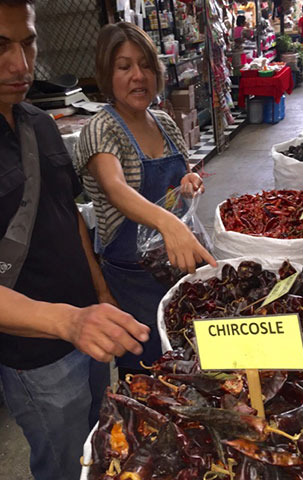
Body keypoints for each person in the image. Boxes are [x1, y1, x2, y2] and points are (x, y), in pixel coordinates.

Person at [0, 2, 151, 479]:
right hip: (35, 354)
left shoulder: (38, 123)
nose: (21, 65)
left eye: (27, 42)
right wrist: (67, 321)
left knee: (98, 443)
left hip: (88, 325)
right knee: (63, 460)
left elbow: (69, 220)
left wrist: (100, 294)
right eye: (0, 47)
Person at [74, 22, 216, 378]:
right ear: (107, 75)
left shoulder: (165, 122)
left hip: (176, 261)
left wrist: (190, 182)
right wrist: (168, 223)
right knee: (148, 367)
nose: (138, 76)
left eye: (146, 65)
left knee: (188, 357)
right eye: (124, 67)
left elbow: (183, 177)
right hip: (131, 276)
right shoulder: (101, 129)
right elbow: (116, 189)